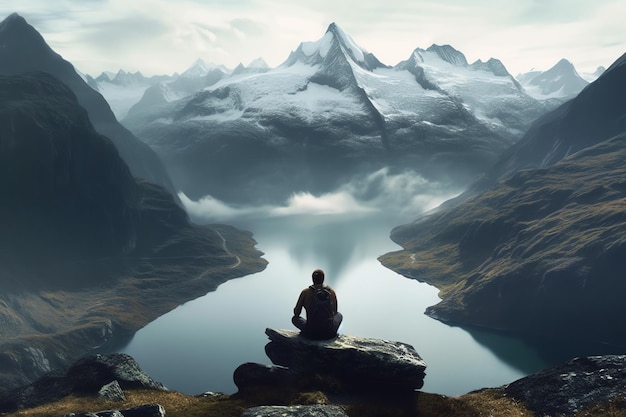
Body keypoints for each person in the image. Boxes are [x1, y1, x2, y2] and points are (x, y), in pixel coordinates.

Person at [292, 268, 343, 340]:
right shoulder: (331, 292)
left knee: (294, 319)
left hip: (311, 332)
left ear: (312, 279)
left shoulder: (305, 292)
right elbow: (335, 312)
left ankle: (308, 331)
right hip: (329, 332)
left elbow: (296, 313)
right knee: (339, 315)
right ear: (323, 279)